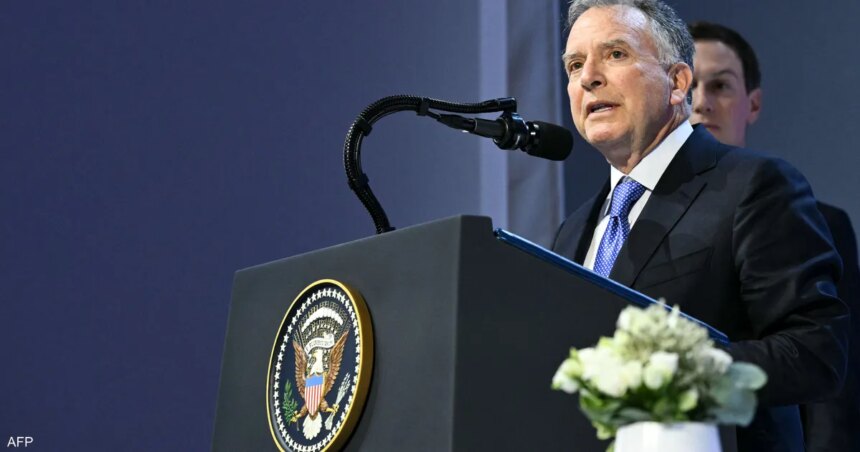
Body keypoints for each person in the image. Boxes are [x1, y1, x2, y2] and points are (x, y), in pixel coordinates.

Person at [551, 1, 849, 451]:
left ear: (677, 83)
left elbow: (816, 349)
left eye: (615, 54)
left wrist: (673, 377)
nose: (588, 76)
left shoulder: (752, 186)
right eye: (575, 65)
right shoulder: (573, 231)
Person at [688, 21, 860, 452]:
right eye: (689, 87)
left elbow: (833, 384)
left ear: (753, 104)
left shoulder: (822, 222)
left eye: (720, 86)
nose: (702, 103)